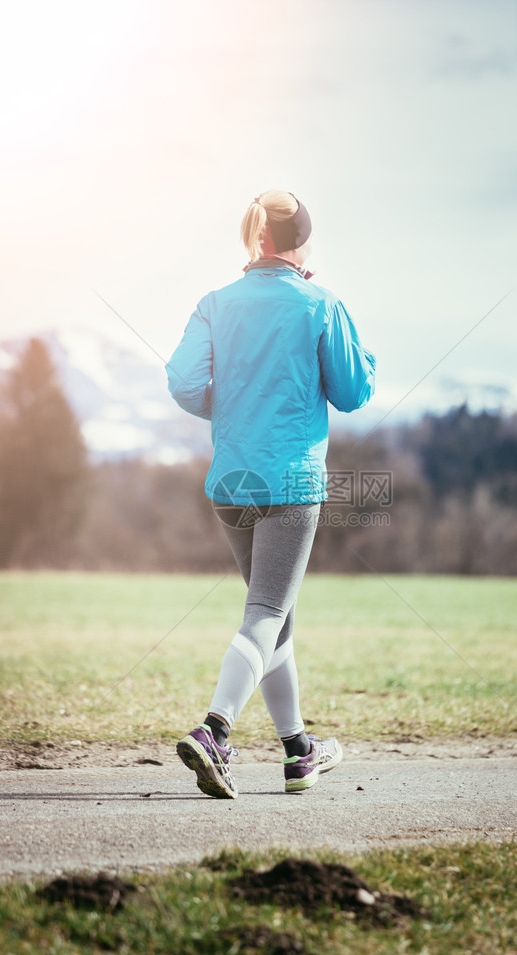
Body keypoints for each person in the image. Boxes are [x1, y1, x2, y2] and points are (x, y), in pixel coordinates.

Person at [166, 189, 375, 798]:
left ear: (251, 241)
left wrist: (229, 409)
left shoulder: (214, 303)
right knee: (265, 612)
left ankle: (298, 752)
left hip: (230, 482)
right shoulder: (319, 302)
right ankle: (215, 731)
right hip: (290, 482)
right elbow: (354, 390)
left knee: (273, 614)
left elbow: (182, 382)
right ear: (301, 244)